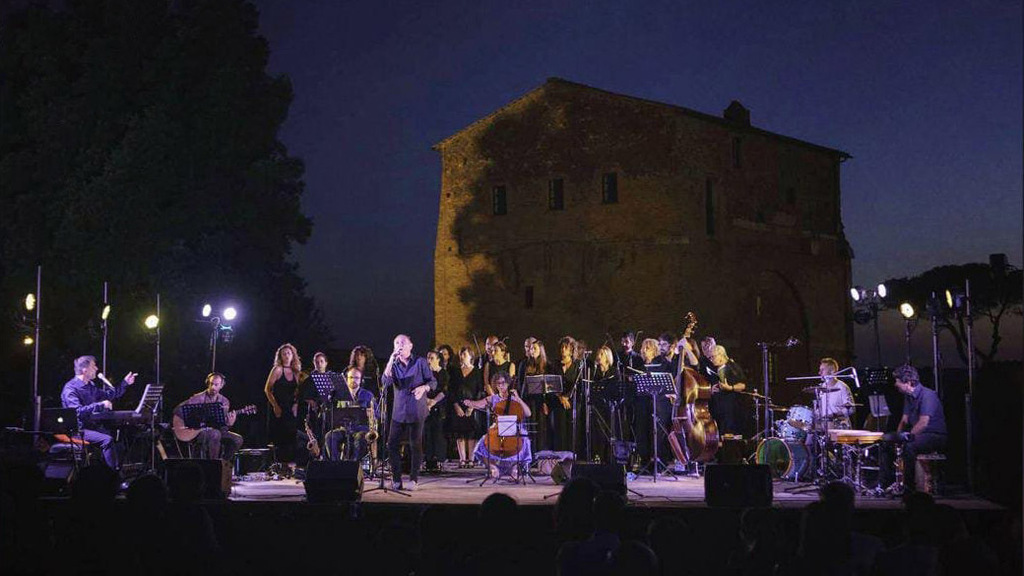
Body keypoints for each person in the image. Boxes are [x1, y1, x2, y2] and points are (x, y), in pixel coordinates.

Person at [60, 355, 138, 469]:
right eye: (93, 366)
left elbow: (108, 395)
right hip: (78, 430)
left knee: (119, 439)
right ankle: (113, 474)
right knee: (107, 440)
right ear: (85, 370)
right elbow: (77, 412)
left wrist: (125, 383)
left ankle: (109, 470)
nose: (96, 368)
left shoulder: (90, 386)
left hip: (91, 427)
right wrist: (100, 405)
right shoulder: (70, 388)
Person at [382, 334, 437, 490]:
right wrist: (390, 361)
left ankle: (413, 480)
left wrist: (424, 388)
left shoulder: (420, 362)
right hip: (399, 411)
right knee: (392, 444)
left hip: (416, 409)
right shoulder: (393, 364)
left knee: (415, 444)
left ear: (410, 346)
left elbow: (433, 381)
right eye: (396, 343)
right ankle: (396, 479)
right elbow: (385, 382)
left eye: (403, 342)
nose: (399, 345)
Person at [884, 364, 947, 491]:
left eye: (897, 381)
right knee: (885, 443)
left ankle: (908, 486)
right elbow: (904, 420)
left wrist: (907, 437)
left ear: (908, 382)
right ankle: (887, 483)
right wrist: (897, 437)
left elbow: (923, 422)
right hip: (919, 434)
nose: (895, 384)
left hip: (934, 435)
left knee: (909, 447)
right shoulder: (908, 397)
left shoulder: (928, 395)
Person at [463, 372, 532, 479]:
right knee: (483, 442)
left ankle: (515, 467)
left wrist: (518, 398)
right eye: (498, 383)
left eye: (503, 383)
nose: (501, 386)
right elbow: (480, 404)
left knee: (524, 440)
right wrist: (470, 403)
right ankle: (492, 467)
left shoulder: (514, 398)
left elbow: (528, 413)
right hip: (498, 429)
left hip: (514, 428)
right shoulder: (493, 398)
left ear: (508, 383)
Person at [173, 373, 244, 462]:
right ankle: (213, 465)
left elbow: (222, 428)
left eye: (216, 385)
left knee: (238, 439)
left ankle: (223, 463)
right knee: (215, 434)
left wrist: (229, 424)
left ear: (221, 386)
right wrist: (189, 423)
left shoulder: (224, 401)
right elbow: (177, 410)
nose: (213, 387)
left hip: (216, 431)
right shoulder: (198, 398)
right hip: (197, 432)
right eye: (211, 384)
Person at [324, 366, 377, 462]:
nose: (353, 380)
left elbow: (377, 414)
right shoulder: (339, 395)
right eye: (351, 377)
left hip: (361, 430)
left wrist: (370, 413)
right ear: (346, 379)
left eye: (356, 378)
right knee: (329, 436)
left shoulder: (368, 395)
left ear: (361, 380)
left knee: (359, 439)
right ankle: (335, 465)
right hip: (344, 429)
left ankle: (354, 465)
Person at [264, 343, 303, 465]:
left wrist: (296, 404)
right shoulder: (277, 369)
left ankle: (289, 465)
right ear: (280, 356)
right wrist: (275, 406)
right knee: (279, 438)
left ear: (293, 355)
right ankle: (277, 465)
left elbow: (298, 391)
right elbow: (267, 389)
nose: (286, 356)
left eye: (289, 353)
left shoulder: (296, 372)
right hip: (278, 406)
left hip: (291, 408)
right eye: (284, 354)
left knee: (291, 437)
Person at [448, 347, 483, 468]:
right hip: (459, 405)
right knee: (460, 433)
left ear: (471, 356)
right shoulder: (455, 372)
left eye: (465, 354)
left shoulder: (477, 371)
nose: (462, 357)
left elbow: (479, 390)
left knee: (471, 432)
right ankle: (462, 459)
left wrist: (473, 405)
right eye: (461, 354)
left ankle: (471, 459)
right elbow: (451, 390)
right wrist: (456, 405)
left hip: (472, 405)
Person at [710, 344, 746, 436]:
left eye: (713, 357)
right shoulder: (714, 369)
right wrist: (712, 389)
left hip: (731, 409)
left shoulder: (732, 367)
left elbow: (743, 385)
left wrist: (730, 388)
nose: (711, 359)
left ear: (721, 355)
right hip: (718, 409)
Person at [423, 350, 449, 472]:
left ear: (438, 359)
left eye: (432, 358)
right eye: (428, 358)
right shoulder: (425, 374)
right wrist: (427, 401)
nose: (429, 360)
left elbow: (444, 390)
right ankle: (428, 460)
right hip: (426, 406)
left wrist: (433, 402)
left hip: (439, 406)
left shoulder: (443, 374)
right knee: (427, 433)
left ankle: (439, 460)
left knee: (438, 433)